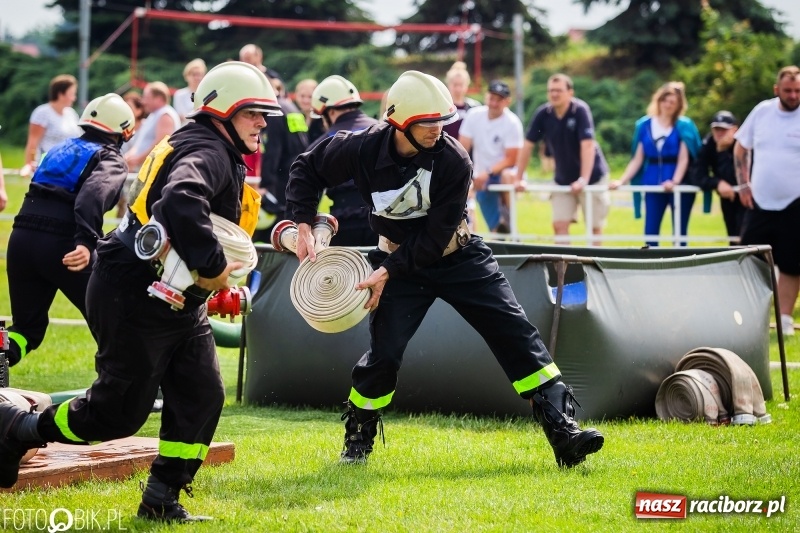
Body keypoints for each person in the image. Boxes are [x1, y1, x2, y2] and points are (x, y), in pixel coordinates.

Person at [0, 62, 282, 521]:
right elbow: (181, 199)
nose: (263, 123)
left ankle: (161, 500)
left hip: (169, 295)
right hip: (134, 293)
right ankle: (18, 430)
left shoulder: (207, 144)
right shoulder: (209, 152)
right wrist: (212, 269)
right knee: (116, 415)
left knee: (202, 394)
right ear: (224, 111)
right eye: (254, 113)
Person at [285, 70, 604, 468]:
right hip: (397, 262)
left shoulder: (455, 160)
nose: (439, 129)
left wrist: (385, 272)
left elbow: (436, 237)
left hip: (458, 255)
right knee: (384, 355)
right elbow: (306, 168)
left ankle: (564, 433)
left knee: (515, 332)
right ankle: (357, 445)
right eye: (428, 123)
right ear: (400, 122)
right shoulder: (360, 148)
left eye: (442, 120)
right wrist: (302, 222)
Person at [3, 94, 135, 370]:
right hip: (66, 244)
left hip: (21, 239)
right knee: (115, 319)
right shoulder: (109, 157)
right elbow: (92, 195)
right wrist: (86, 241)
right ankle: (137, 390)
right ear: (124, 132)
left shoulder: (59, 148)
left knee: (26, 328)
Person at [734, 65, 800, 336]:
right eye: (788, 91)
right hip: (759, 201)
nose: (794, 95)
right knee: (748, 260)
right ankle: (748, 315)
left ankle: (784, 318)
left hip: (795, 201)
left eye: (798, 91)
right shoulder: (762, 111)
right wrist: (742, 183)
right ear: (777, 90)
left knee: (792, 263)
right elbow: (741, 148)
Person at [515, 73, 610, 245]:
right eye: (551, 90)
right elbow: (528, 145)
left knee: (594, 228)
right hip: (563, 179)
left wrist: (583, 180)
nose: (554, 94)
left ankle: (595, 269)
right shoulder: (543, 113)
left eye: (559, 90)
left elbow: (588, 145)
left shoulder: (580, 110)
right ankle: (563, 270)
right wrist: (518, 178)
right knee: (559, 225)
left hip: (593, 177)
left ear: (570, 93)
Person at [611, 83, 691, 247]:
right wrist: (622, 180)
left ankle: (680, 265)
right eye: (665, 100)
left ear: (678, 105)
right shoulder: (645, 125)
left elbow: (684, 158)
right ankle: (652, 263)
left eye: (673, 102)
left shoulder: (683, 126)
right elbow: (637, 158)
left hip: (677, 180)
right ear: (659, 101)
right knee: (651, 229)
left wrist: (674, 181)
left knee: (679, 231)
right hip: (652, 180)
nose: (668, 105)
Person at [307, 74, 378, 246]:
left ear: (330, 112)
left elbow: (305, 190)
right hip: (383, 223)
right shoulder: (384, 132)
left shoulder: (322, 144)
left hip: (343, 224)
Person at [458, 80, 523, 234]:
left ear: (507, 102)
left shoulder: (512, 123)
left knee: (507, 176)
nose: (493, 103)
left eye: (498, 100)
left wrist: (487, 172)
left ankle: (510, 222)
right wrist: (468, 174)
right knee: (495, 228)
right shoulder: (474, 116)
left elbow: (511, 159)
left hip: (501, 173)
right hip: (481, 175)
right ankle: (501, 228)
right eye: (491, 98)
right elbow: (462, 149)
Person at [253, 77, 310, 243]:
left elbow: (273, 150)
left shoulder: (274, 111)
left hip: (281, 179)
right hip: (297, 172)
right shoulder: (290, 107)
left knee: (277, 230)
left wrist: (265, 185)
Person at [687, 110, 744, 245]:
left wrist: (722, 152)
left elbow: (736, 175)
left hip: (748, 197)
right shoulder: (709, 144)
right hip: (727, 197)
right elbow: (697, 174)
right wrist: (717, 183)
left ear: (734, 130)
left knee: (748, 236)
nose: (719, 133)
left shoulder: (744, 144)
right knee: (733, 238)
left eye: (724, 130)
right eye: (716, 129)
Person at [21, 74, 82, 176]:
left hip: (69, 168)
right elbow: (32, 142)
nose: (74, 98)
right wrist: (29, 166)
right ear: (61, 94)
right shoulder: (42, 113)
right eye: (71, 94)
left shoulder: (72, 113)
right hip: (47, 169)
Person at [123, 81, 181, 170]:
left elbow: (161, 145)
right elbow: (139, 145)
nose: (143, 101)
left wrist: (138, 160)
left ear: (159, 99)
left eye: (146, 97)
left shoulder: (165, 116)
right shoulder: (154, 115)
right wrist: (127, 158)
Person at [442, 61, 481, 140]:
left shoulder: (474, 107)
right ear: (448, 84)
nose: (458, 89)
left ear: (467, 85)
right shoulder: (442, 107)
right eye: (455, 84)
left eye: (461, 85)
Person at [173, 58, 207, 125]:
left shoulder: (207, 94)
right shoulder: (179, 94)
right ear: (187, 76)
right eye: (194, 74)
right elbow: (181, 116)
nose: (197, 78)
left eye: (199, 74)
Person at [294, 78, 326, 144]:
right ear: (296, 96)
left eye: (310, 97)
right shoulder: (293, 117)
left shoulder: (324, 120)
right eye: (302, 96)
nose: (306, 101)